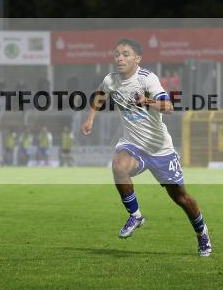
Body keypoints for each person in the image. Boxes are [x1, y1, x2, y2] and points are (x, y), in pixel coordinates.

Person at [81, 39, 212, 257]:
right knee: (118, 166)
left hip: (160, 149)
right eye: (117, 54)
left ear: (137, 59)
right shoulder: (111, 80)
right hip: (133, 145)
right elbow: (99, 94)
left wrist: (147, 101)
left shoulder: (147, 79)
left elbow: (169, 107)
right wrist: (90, 119)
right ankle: (136, 215)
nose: (119, 58)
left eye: (125, 54)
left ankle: (202, 233)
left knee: (181, 198)